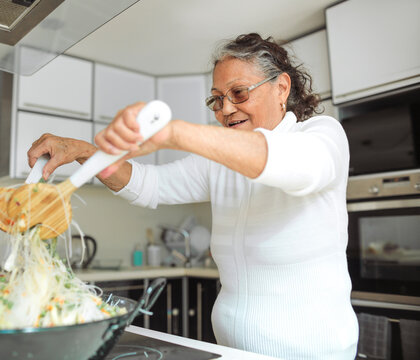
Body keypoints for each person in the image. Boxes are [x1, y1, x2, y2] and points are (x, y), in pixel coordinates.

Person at [27, 33, 359, 359]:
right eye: (217, 99)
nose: (226, 109)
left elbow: (286, 161)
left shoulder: (321, 135)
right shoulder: (220, 160)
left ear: (281, 88)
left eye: (239, 93)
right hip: (229, 350)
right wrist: (83, 151)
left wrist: (174, 133)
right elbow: (149, 184)